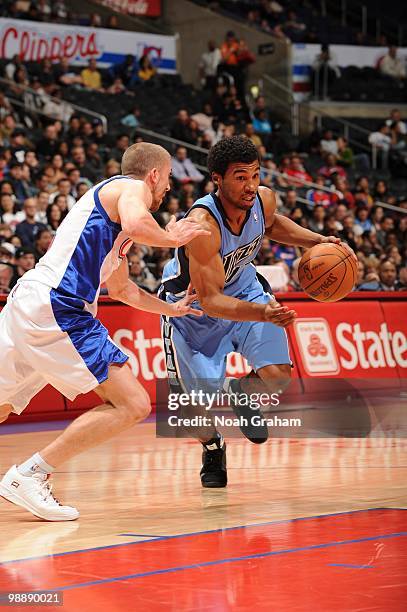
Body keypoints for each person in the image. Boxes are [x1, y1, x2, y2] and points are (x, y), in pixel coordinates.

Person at [0, 142, 210, 521]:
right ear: (154, 175)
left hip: (30, 302)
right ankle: (29, 475)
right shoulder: (131, 190)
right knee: (133, 404)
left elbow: (124, 291)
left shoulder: (110, 221)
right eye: (166, 183)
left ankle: (28, 476)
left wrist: (172, 309)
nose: (166, 191)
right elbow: (137, 222)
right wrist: (172, 238)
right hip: (59, 308)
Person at [160, 136, 349, 488]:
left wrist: (316, 241)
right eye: (240, 177)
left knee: (278, 375)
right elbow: (213, 300)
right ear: (217, 178)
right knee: (192, 412)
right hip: (194, 312)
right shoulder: (203, 226)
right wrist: (264, 315)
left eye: (255, 175)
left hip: (245, 290)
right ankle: (213, 447)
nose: (251, 186)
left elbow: (272, 224)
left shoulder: (263, 199)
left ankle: (243, 392)